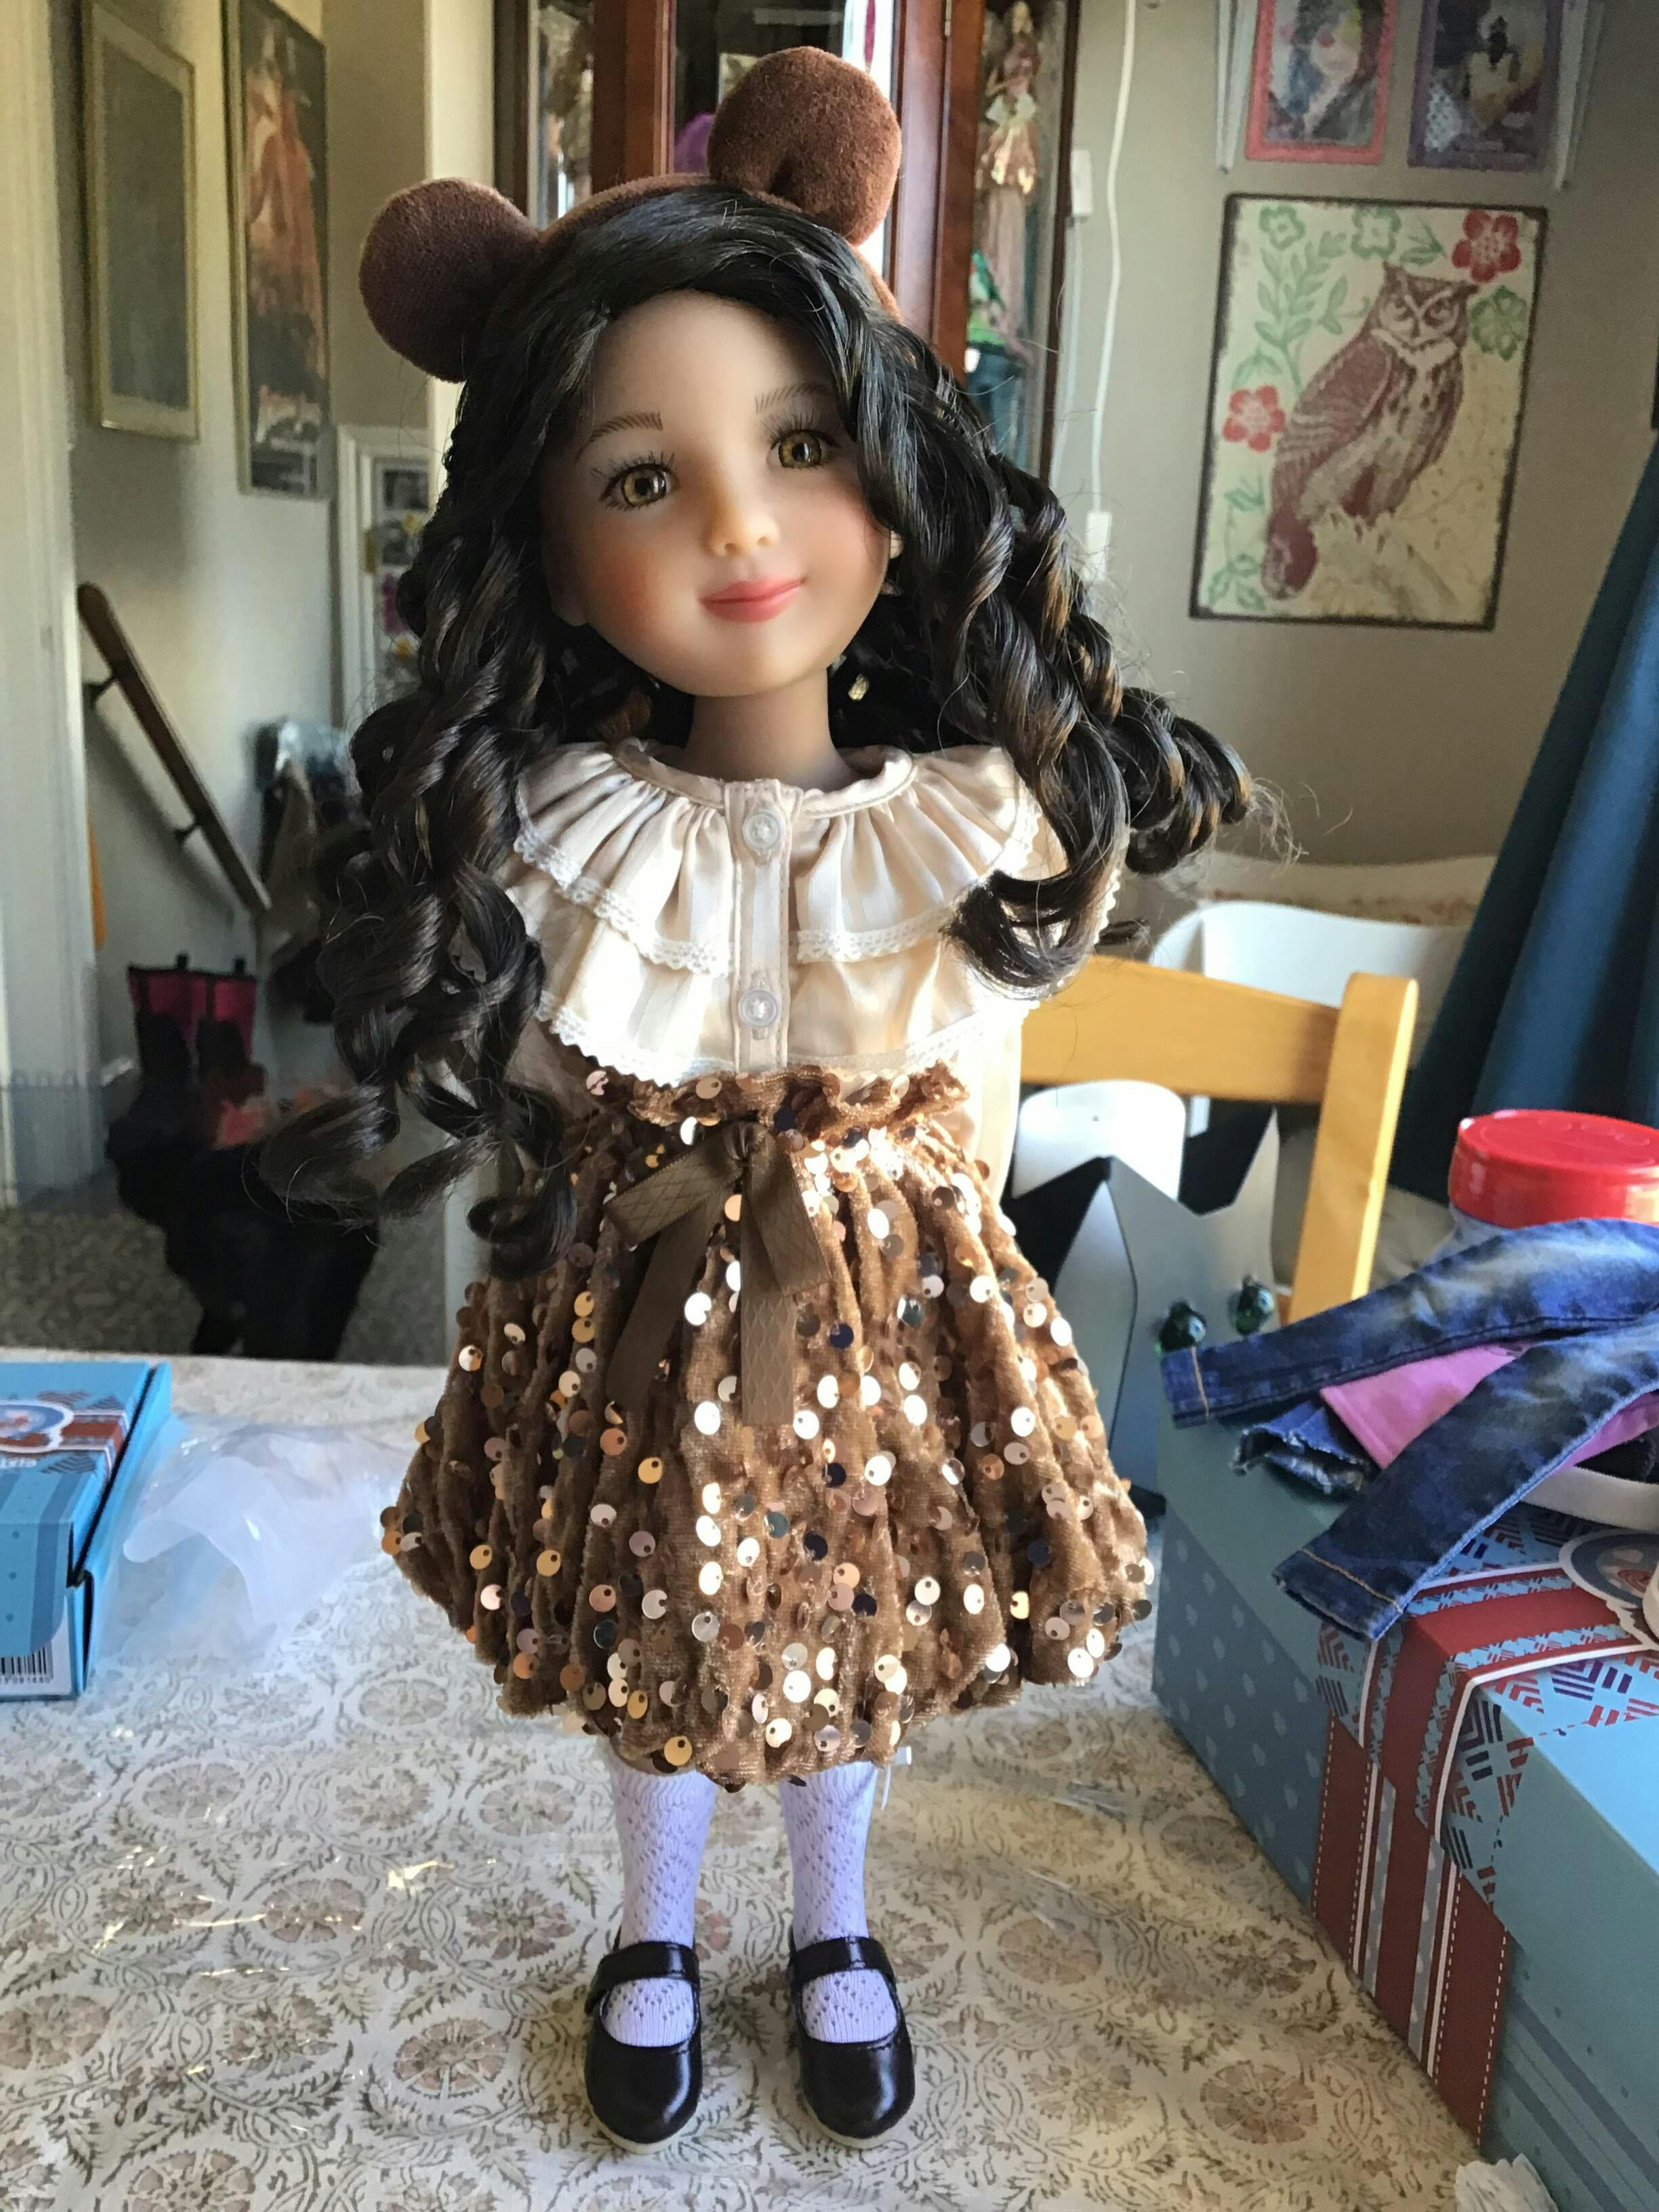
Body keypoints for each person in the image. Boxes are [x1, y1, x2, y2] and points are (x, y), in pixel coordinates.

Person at [266, 47, 1251, 2156]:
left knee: (849, 1636)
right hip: (639, 1315)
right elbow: (550, 1084)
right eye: (642, 479)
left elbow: (977, 1098)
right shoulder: (561, 837)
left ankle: (833, 1925)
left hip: (886, 1321)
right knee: (657, 1627)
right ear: (549, 548)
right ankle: (650, 1930)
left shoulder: (964, 826)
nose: (738, 524)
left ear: (894, 467)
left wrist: (914, 1252)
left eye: (800, 445)